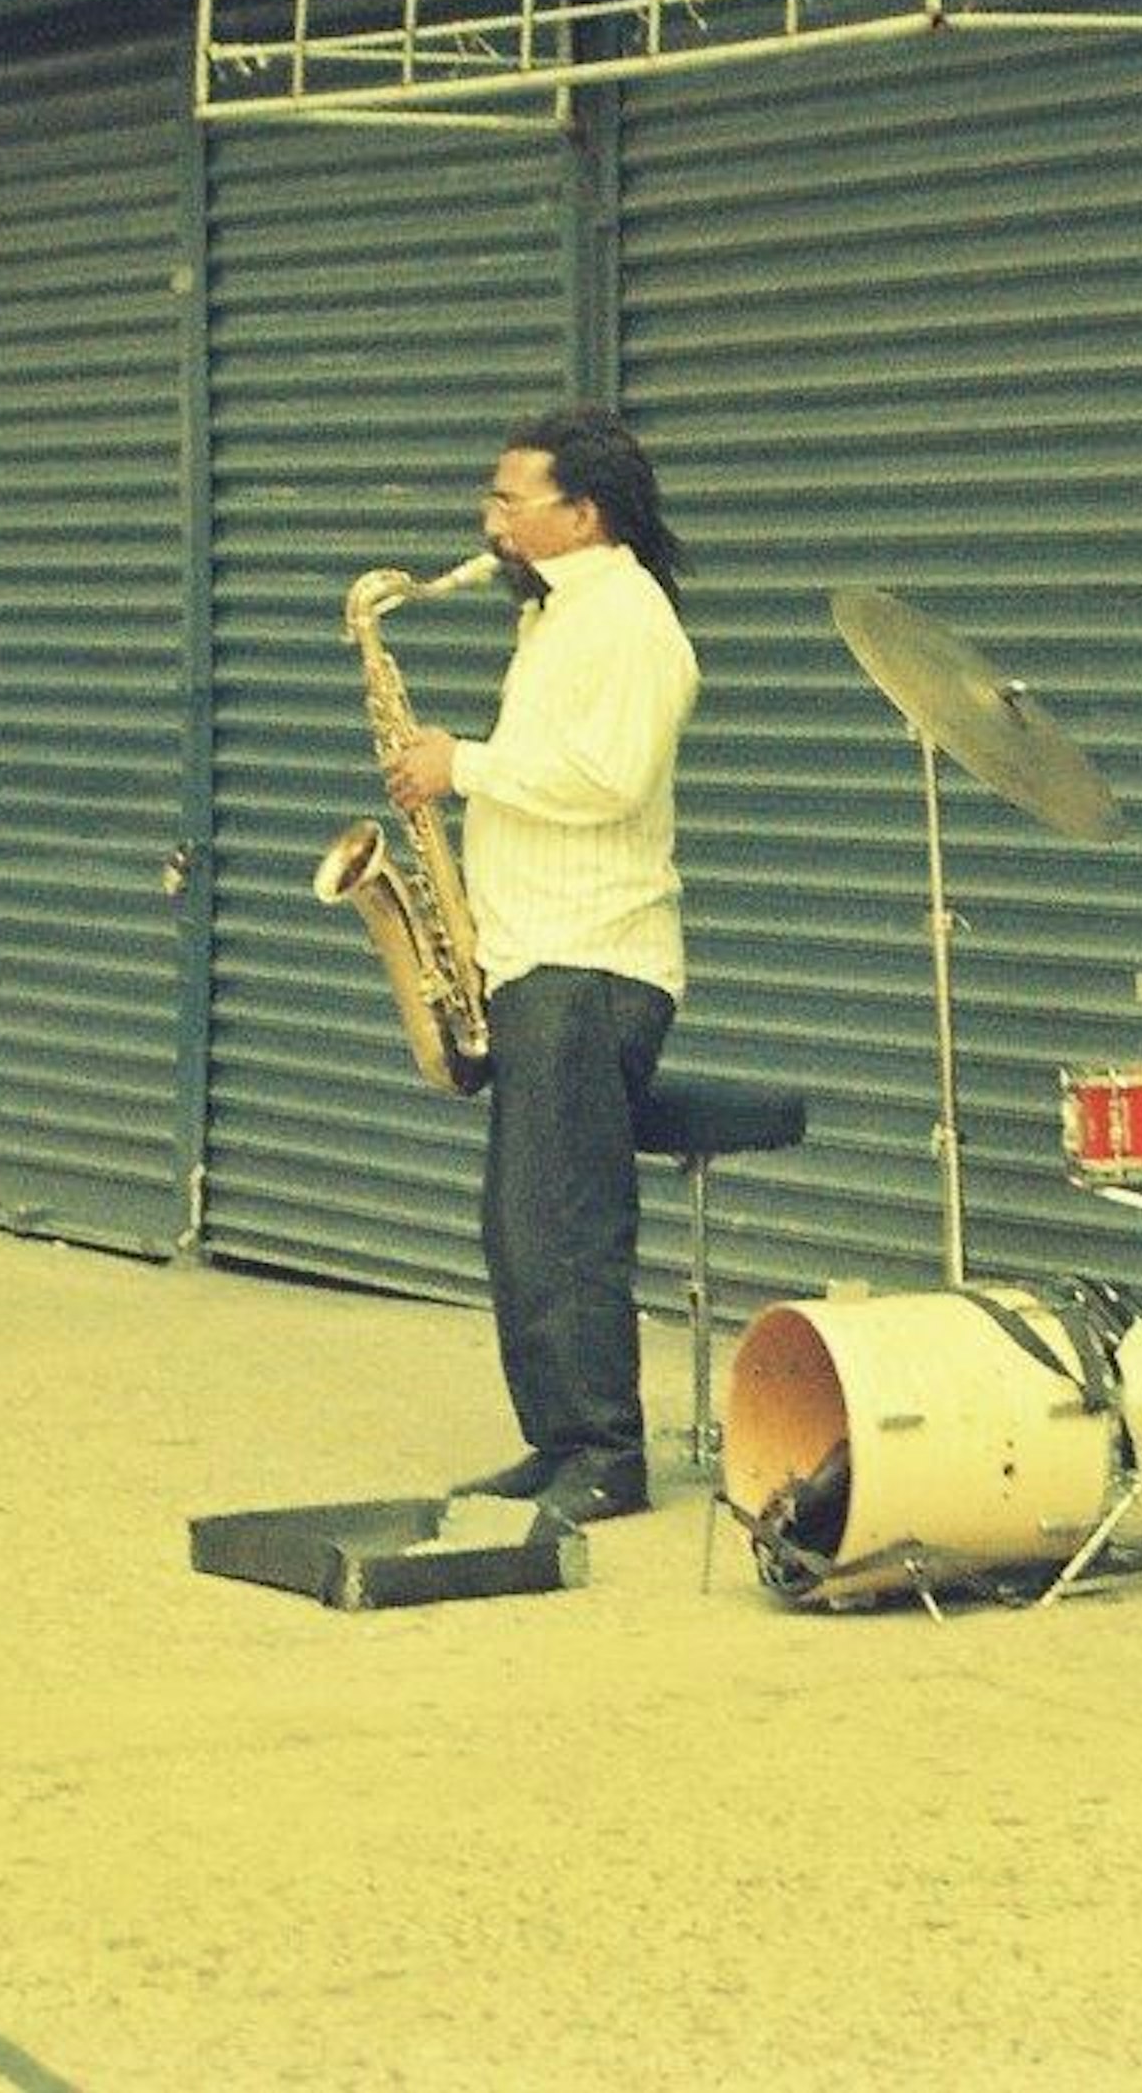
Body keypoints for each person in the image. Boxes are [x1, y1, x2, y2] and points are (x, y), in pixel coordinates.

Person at [389, 407, 699, 1526]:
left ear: (583, 513)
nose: (492, 524)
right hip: (538, 958)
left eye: (511, 503)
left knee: (564, 1216)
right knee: (521, 1220)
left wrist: (459, 764)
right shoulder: (563, 621)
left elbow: (609, 778)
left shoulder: (628, 622)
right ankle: (560, 1439)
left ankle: (606, 1456)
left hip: (593, 958)